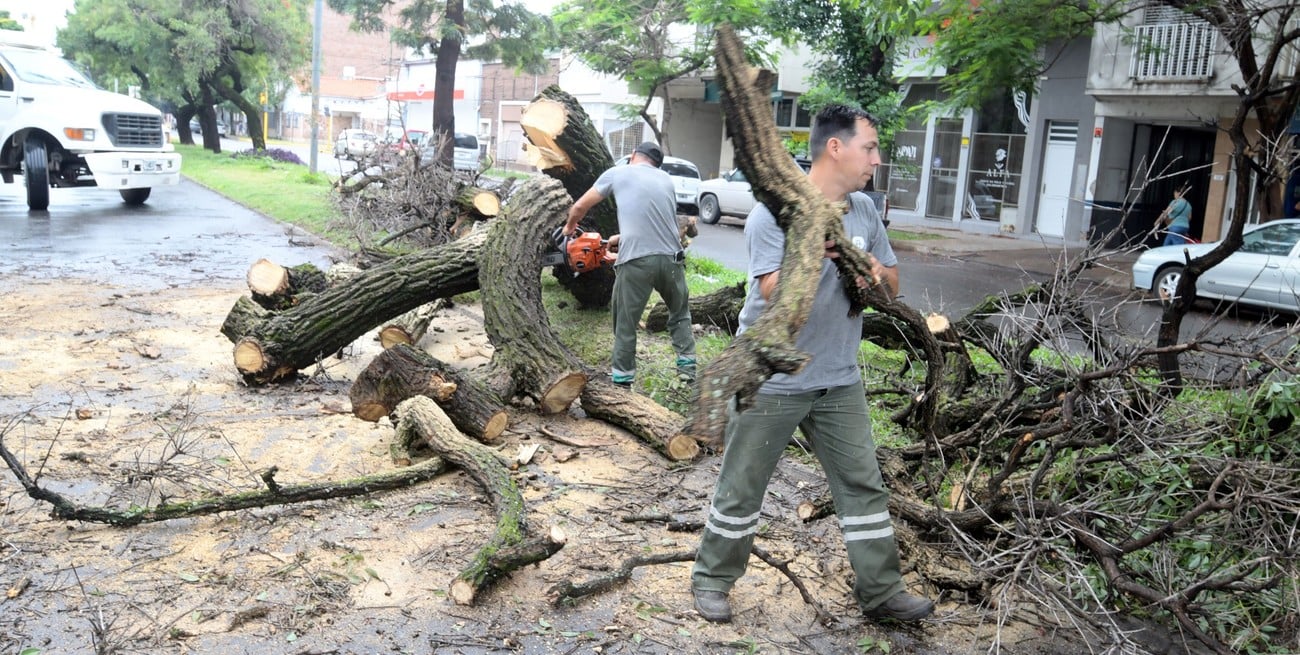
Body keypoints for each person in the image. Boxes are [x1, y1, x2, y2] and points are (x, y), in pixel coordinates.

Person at [691, 105, 934, 624]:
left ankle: (881, 591)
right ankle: (712, 580)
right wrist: (811, 251)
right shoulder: (772, 212)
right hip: (772, 375)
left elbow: (891, 283)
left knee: (862, 484)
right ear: (835, 148)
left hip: (838, 378)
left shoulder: (865, 211)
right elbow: (772, 291)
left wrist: (867, 267)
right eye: (869, 148)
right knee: (743, 482)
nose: (876, 159)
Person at [562, 141, 696, 387]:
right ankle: (688, 374)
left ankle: (623, 380)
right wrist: (620, 238)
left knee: (625, 322)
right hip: (672, 260)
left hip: (636, 262)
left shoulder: (618, 172)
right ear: (657, 164)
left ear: (633, 155)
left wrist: (569, 230)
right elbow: (658, 224)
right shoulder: (666, 180)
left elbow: (580, 206)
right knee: (680, 315)